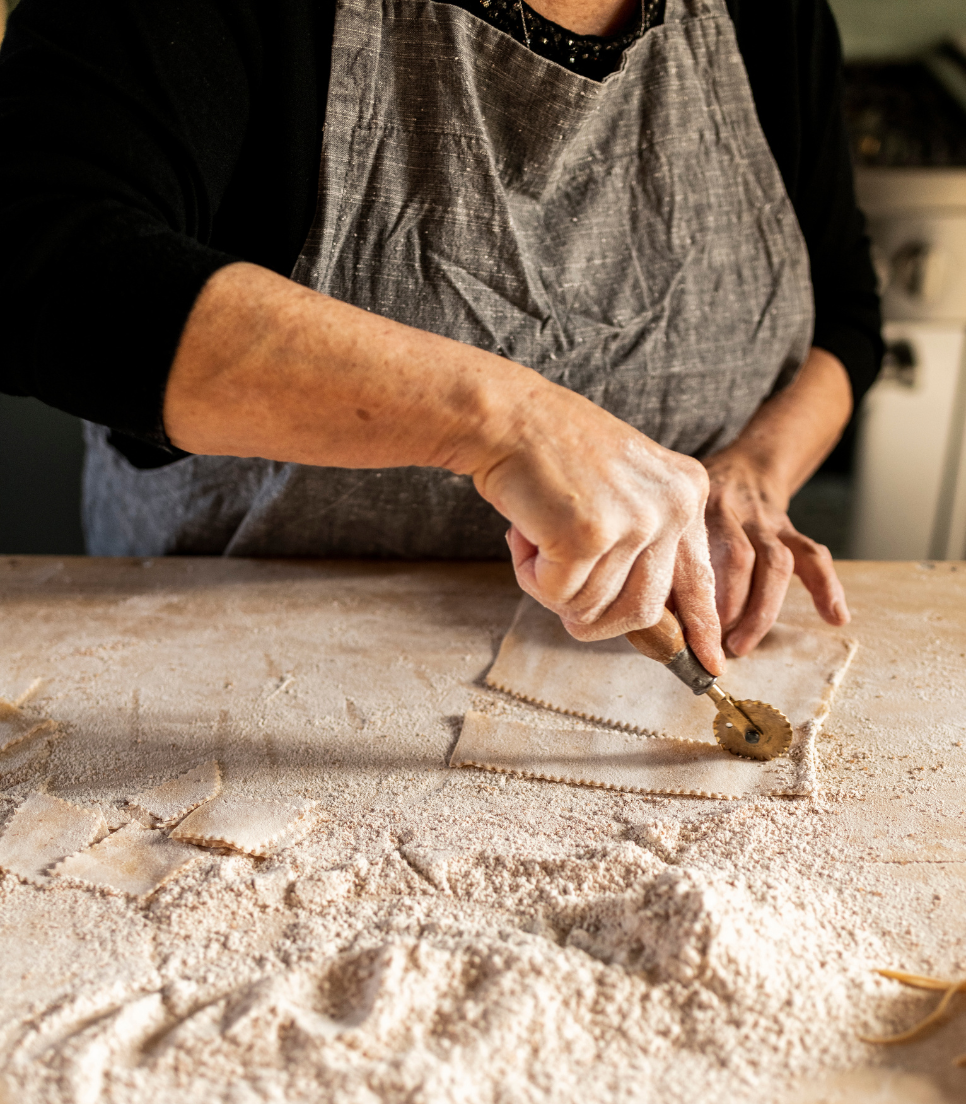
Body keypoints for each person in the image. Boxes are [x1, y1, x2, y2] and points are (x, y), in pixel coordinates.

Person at [0, 0, 881, 676]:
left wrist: (757, 474)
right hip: (232, 674)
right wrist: (503, 421)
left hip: (624, 674)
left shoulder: (773, 14)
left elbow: (845, 313)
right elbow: (43, 256)